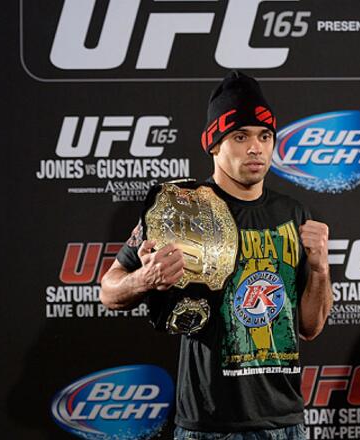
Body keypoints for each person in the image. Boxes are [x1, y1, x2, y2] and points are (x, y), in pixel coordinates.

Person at [100, 70, 332, 440]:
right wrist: (145, 279)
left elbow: (311, 327)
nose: (255, 148)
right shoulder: (180, 210)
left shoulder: (295, 215)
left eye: (264, 136)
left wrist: (320, 269)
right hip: (209, 424)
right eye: (240, 137)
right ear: (214, 145)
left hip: (286, 422)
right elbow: (109, 290)